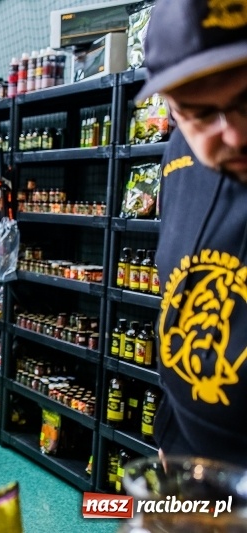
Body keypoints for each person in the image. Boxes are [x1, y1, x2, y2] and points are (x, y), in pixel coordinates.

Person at [138, 0, 247, 466]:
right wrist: (173, 431)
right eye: (200, 113)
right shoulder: (180, 156)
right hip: (187, 455)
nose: (234, 135)